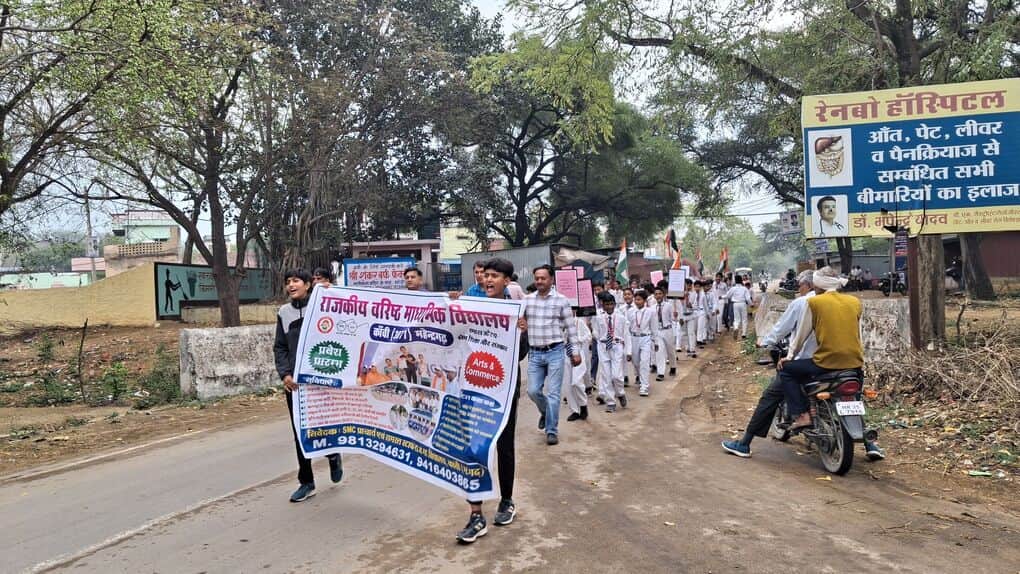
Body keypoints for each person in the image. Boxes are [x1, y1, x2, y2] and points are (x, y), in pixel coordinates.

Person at [454, 257, 528, 544]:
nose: (487, 280)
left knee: (504, 447)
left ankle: (506, 500)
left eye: (494, 276)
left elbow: (521, 354)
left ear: (507, 281)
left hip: (503, 391)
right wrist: (451, 307)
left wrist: (522, 332)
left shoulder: (515, 312)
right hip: (472, 390)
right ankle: (475, 515)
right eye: (484, 275)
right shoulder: (471, 308)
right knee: (474, 448)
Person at [273, 268, 342, 502]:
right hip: (296, 385)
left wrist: (336, 294)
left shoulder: (323, 305)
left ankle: (333, 454)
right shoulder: (284, 312)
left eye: (296, 281)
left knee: (325, 424)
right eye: (288, 282)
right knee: (300, 432)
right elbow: (280, 347)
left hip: (321, 381)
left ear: (307, 285)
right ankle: (307, 482)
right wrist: (285, 375)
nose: (291, 285)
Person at [779, 266, 863, 431]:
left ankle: (803, 415)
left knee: (786, 371)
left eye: (815, 285)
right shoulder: (854, 302)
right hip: (854, 363)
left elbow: (801, 335)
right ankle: (868, 440)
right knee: (855, 396)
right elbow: (859, 334)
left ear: (818, 286)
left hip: (826, 363)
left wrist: (789, 356)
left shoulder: (814, 302)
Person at [521, 265, 582, 446]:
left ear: (552, 280)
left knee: (554, 393)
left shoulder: (562, 300)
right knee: (532, 391)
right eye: (537, 278)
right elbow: (515, 318)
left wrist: (575, 352)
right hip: (535, 353)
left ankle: (551, 430)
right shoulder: (527, 300)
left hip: (555, 351)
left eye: (543, 278)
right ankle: (546, 412)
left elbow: (571, 329)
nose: (539, 281)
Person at [591, 292, 629, 412]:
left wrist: (627, 350)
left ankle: (620, 393)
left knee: (616, 375)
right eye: (606, 304)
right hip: (603, 347)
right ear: (603, 305)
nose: (609, 307)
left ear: (614, 304)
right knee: (606, 376)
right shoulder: (598, 318)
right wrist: (601, 338)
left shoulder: (621, 318)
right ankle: (611, 402)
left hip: (617, 346)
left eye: (611, 304)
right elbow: (595, 331)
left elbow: (625, 334)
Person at [627, 289, 657, 397]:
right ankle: (640, 377)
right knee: (636, 362)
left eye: (639, 299)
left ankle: (644, 386)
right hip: (634, 338)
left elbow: (654, 327)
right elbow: (627, 327)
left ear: (644, 300)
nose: (637, 302)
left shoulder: (650, 312)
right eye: (635, 299)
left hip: (646, 338)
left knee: (644, 362)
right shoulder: (630, 311)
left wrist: (655, 341)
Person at [562, 314, 592, 421]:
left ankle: (583, 406)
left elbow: (589, 336)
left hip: (578, 352)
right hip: (565, 353)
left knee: (577, 382)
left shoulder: (579, 322)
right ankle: (574, 411)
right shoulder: (560, 323)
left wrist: (578, 339)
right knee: (568, 384)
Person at [652, 286, 676, 381]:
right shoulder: (652, 308)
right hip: (658, 331)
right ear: (654, 296)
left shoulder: (669, 305)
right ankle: (661, 373)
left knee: (670, 350)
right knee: (659, 351)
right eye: (656, 294)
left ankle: (673, 366)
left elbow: (673, 319)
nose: (658, 296)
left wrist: (675, 317)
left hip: (668, 330)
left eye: (660, 294)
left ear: (663, 295)